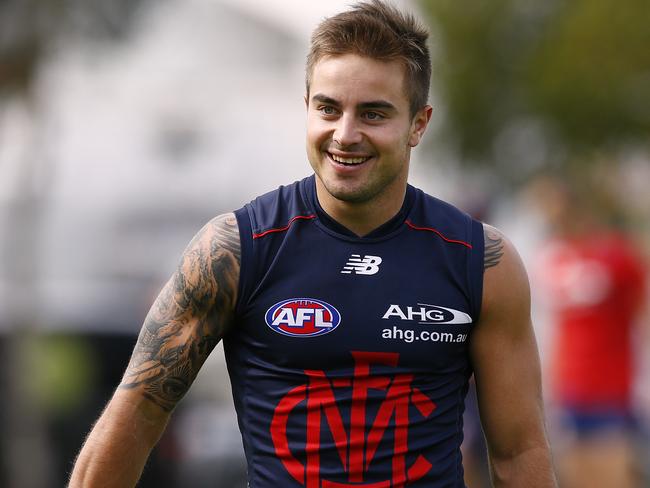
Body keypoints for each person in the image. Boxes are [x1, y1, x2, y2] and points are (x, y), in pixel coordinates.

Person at [69, 2, 556, 486]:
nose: (345, 135)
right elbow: (136, 413)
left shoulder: (481, 262)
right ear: (307, 107)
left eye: (373, 113)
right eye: (328, 108)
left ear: (418, 124)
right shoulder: (236, 250)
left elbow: (518, 453)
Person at [532, 175, 647, 488]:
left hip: (611, 390)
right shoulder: (552, 257)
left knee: (611, 477)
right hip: (568, 390)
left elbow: (643, 316)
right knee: (574, 476)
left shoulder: (618, 256)